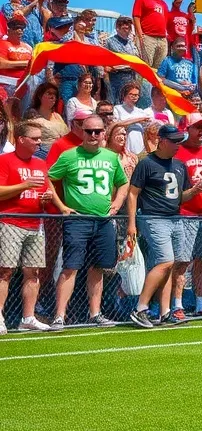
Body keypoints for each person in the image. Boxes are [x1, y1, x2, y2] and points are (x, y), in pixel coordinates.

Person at [48, 114, 130, 329]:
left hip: (103, 220)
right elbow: (49, 178)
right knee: (70, 267)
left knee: (98, 267)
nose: (93, 135)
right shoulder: (69, 155)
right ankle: (59, 315)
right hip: (78, 219)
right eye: (89, 131)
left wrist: (117, 203)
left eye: (97, 131)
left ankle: (95, 313)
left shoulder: (111, 157)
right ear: (82, 132)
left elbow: (123, 183)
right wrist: (61, 206)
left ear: (104, 133)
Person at [127, 124, 202, 327]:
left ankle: (165, 311)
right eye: (174, 141)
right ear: (162, 141)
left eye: (179, 141)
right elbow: (133, 193)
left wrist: (194, 191)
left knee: (170, 265)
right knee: (165, 262)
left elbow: (180, 197)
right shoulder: (146, 163)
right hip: (154, 217)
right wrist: (132, 223)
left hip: (175, 218)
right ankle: (140, 308)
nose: (178, 145)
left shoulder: (179, 165)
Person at [0, 123, 68, 333]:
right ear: (21, 139)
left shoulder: (40, 163)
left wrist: (47, 199)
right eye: (35, 138)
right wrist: (25, 185)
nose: (39, 142)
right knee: (5, 271)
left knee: (34, 272)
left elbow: (45, 189)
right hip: (10, 222)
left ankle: (28, 317)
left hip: (35, 223)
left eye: (40, 138)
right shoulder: (5, 160)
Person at [170, 113, 202, 318]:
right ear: (187, 129)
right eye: (198, 127)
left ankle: (201, 303)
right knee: (182, 261)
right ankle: (177, 305)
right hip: (185, 214)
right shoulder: (178, 152)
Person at [132, 0, 170, 70]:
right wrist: (140, 34)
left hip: (162, 38)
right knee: (145, 66)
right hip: (148, 37)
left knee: (160, 69)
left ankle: (155, 81)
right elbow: (136, 16)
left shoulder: (163, 3)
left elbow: (166, 19)